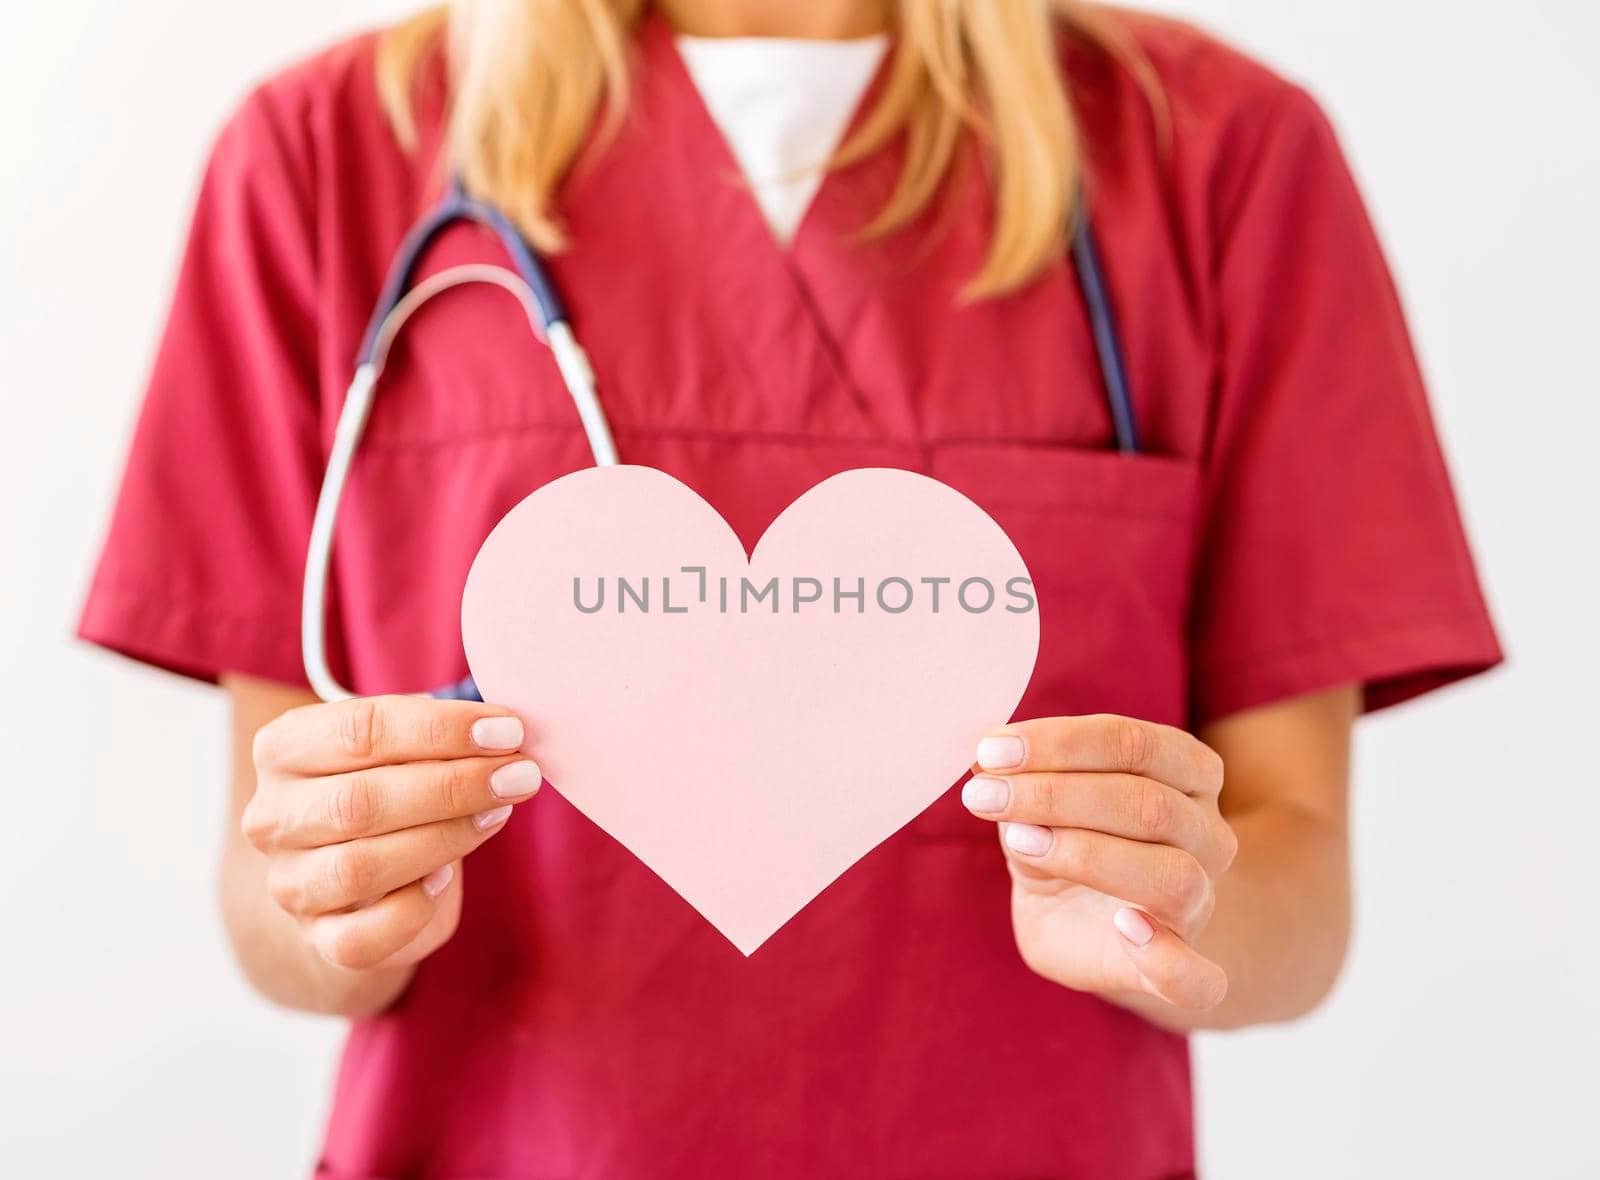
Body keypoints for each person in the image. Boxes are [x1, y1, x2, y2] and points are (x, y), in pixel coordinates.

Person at [79, 0, 1502, 1175]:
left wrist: (1178, 916)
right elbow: (270, 897)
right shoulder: (324, 160)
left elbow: (1298, 872)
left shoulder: (1221, 157)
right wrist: (336, 912)